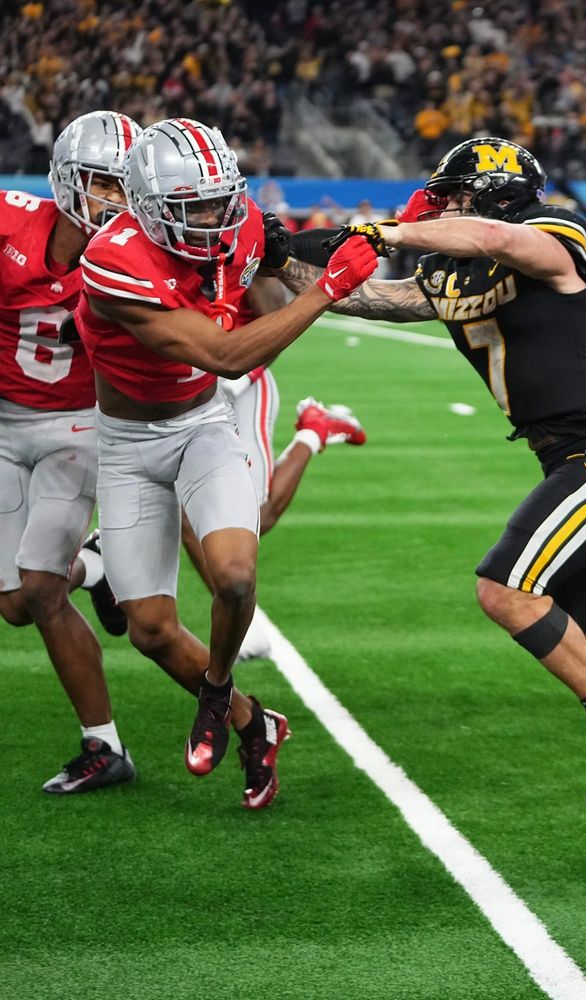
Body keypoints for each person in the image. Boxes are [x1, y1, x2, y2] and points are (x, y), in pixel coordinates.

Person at [274, 137, 586, 824]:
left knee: (504, 590)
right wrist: (278, 256)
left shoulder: (552, 228)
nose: (445, 207)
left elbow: (501, 239)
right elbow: (366, 300)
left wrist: (391, 228)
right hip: (567, 460)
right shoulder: (452, 271)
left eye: (457, 194)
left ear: (494, 188)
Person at [74, 117, 380, 809]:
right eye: (195, 207)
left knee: (236, 576)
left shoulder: (238, 223)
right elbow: (225, 353)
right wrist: (325, 289)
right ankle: (252, 721)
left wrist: (356, 251)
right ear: (149, 206)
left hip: (205, 424)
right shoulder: (113, 260)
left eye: (221, 200)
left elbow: (262, 317)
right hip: (127, 446)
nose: (214, 217)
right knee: (149, 630)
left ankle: (214, 693)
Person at [0, 110, 137, 794]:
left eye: (122, 187)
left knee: (41, 592)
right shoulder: (8, 224)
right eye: (99, 183)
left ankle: (104, 745)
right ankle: (96, 561)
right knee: (15, 605)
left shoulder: (139, 258)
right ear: (65, 177)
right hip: (2, 423)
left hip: (76, 428)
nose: (111, 200)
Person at [181, 375, 368, 663]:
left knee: (252, 515)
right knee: (185, 512)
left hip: (239, 391)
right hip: (184, 397)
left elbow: (263, 333)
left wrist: (239, 380)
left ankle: (314, 429)